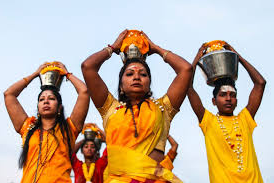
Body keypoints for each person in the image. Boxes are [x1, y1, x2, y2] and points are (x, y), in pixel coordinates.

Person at [81, 29, 192, 183]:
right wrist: (112, 48)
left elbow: (185, 70)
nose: (137, 77)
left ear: (149, 83)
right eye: (130, 74)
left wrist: (156, 48)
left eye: (143, 74)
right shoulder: (110, 109)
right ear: (121, 86)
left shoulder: (163, 108)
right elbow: (88, 67)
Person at [187, 43, 266, 182]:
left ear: (236, 100)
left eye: (232, 95)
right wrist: (197, 58)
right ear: (214, 101)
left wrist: (237, 57)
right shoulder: (208, 121)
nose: (228, 98)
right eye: (223, 95)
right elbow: (187, 86)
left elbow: (260, 83)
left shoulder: (245, 119)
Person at [4, 62, 90, 183]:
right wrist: (34, 74)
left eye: (51, 98)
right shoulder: (27, 128)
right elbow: (9, 94)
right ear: (38, 106)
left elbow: (84, 92)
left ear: (59, 107)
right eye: (42, 99)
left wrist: (67, 74)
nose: (46, 102)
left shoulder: (69, 128)